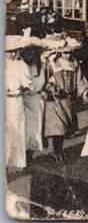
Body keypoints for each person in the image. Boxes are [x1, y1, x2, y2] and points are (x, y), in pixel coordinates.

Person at [43, 45, 88, 162]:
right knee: (58, 128)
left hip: (68, 99)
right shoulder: (52, 64)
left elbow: (80, 79)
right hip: (55, 100)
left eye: (70, 52)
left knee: (65, 128)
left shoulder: (74, 63)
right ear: (59, 52)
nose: (68, 55)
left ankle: (58, 150)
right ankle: (57, 152)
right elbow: (45, 80)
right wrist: (49, 88)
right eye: (65, 53)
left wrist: (84, 92)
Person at [6, 37, 32, 169]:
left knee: (17, 129)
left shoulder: (21, 65)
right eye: (7, 51)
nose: (10, 53)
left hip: (16, 101)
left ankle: (18, 161)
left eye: (13, 51)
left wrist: (20, 90)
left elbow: (28, 84)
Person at [20, 44, 47, 165]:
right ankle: (26, 154)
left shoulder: (39, 67)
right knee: (29, 129)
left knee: (33, 129)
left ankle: (28, 155)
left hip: (33, 99)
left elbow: (40, 82)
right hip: (28, 99)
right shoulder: (25, 67)